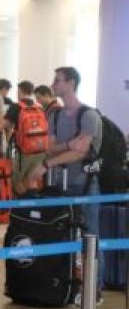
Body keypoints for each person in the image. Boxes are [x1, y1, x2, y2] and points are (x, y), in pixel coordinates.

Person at [32, 66, 102, 241]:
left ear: (71, 83)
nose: (52, 84)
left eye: (57, 80)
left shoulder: (89, 116)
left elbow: (80, 153)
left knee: (90, 239)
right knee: (59, 237)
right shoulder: (55, 116)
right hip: (58, 186)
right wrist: (70, 144)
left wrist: (47, 164)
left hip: (84, 185)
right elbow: (49, 148)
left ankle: (94, 269)